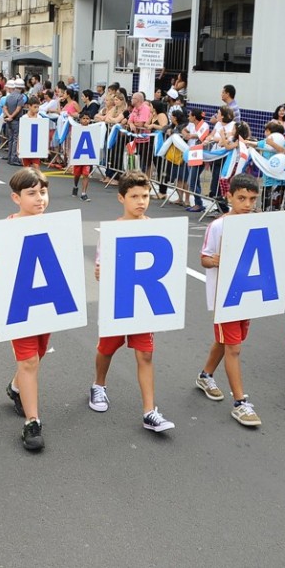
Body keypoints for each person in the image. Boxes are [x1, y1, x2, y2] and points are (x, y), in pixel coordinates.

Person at [88, 171, 175, 432]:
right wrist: (100, 272)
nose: (141, 201)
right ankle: (98, 385)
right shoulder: (112, 231)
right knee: (107, 348)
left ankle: (150, 411)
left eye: (145, 196)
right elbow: (101, 267)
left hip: (144, 303)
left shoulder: (155, 230)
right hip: (119, 302)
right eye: (134, 196)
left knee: (145, 354)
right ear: (121, 198)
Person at [0, 168, 52, 451]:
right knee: (29, 362)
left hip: (47, 302)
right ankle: (32, 423)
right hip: (20, 304)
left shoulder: (55, 226)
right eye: (32, 193)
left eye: (43, 192)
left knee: (37, 355)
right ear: (16, 197)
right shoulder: (7, 228)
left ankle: (15, 388)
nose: (40, 199)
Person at [194, 173, 263, 426]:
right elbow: (204, 258)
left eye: (252, 199)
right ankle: (240, 403)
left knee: (226, 342)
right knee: (233, 347)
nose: (247, 204)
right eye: (241, 198)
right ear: (229, 196)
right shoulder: (219, 225)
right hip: (225, 297)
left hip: (246, 294)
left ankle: (205, 375)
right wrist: (217, 260)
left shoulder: (256, 223)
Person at [183, 108, 210, 212]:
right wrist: (186, 133)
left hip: (199, 154)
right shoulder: (190, 125)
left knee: (192, 181)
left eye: (190, 115)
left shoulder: (204, 125)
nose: (188, 117)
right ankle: (198, 203)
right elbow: (184, 130)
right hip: (191, 153)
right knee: (195, 180)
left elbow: (200, 136)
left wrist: (190, 135)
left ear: (194, 117)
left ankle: (199, 203)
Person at [3, 80, 26, 166]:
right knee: (15, 139)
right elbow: (18, 108)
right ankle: (13, 158)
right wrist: (12, 116)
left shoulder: (9, 96)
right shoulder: (20, 97)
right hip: (16, 120)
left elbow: (5, 107)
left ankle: (9, 157)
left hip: (9, 120)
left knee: (10, 139)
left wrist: (9, 116)